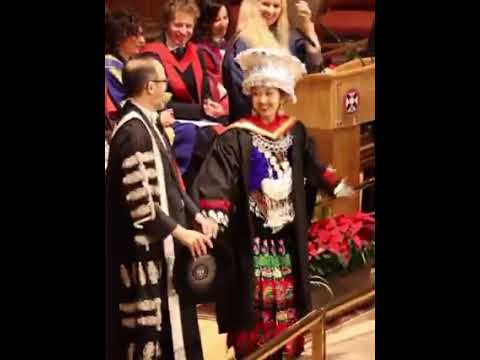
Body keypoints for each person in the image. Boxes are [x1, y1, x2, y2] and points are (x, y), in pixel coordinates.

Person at [192, 48, 353, 359]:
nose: (263, 101)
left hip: (286, 237)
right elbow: (219, 178)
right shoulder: (235, 137)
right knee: (254, 299)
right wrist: (214, 214)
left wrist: (334, 183)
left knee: (289, 298)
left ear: (283, 96)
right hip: (252, 239)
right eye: (258, 94)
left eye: (270, 93)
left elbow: (312, 166)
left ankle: (286, 349)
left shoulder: (295, 130)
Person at [105, 53, 218, 360]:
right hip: (142, 260)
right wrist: (183, 233)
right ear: (149, 87)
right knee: (146, 341)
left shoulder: (148, 125)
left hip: (163, 251)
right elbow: (141, 205)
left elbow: (172, 183)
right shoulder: (133, 133)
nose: (167, 88)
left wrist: (196, 214)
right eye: (163, 81)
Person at [142, 0, 228, 187]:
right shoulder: (151, 55)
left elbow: (205, 94)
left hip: (199, 119)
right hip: (167, 120)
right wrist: (201, 111)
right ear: (166, 24)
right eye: (178, 25)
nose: (184, 31)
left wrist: (210, 105)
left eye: (188, 26)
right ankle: (192, 195)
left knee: (228, 129)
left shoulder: (196, 53)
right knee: (201, 137)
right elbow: (156, 102)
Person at [223, 0, 323, 121]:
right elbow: (240, 91)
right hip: (253, 121)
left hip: (285, 117)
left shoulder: (286, 39)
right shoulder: (242, 43)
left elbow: (311, 69)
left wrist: (308, 26)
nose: (271, 11)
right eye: (265, 4)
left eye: (276, 6)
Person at [105, 10, 146, 112]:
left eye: (142, 34)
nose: (142, 40)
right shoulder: (108, 67)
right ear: (119, 37)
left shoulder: (131, 63)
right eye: (136, 35)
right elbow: (122, 106)